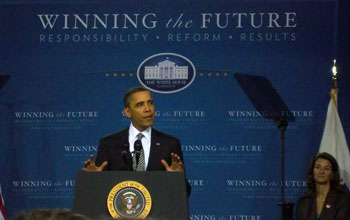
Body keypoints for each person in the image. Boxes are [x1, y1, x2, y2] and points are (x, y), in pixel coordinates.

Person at [83, 86, 190, 195]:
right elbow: (97, 193)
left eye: (150, 103)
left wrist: (177, 179)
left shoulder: (170, 144)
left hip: (159, 211)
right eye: (140, 105)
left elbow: (185, 193)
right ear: (127, 112)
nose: (148, 109)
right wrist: (92, 179)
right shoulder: (109, 144)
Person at [296, 152, 350, 220]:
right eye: (318, 167)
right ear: (312, 171)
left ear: (332, 174)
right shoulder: (303, 202)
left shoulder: (342, 200)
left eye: (326, 168)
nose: (321, 171)